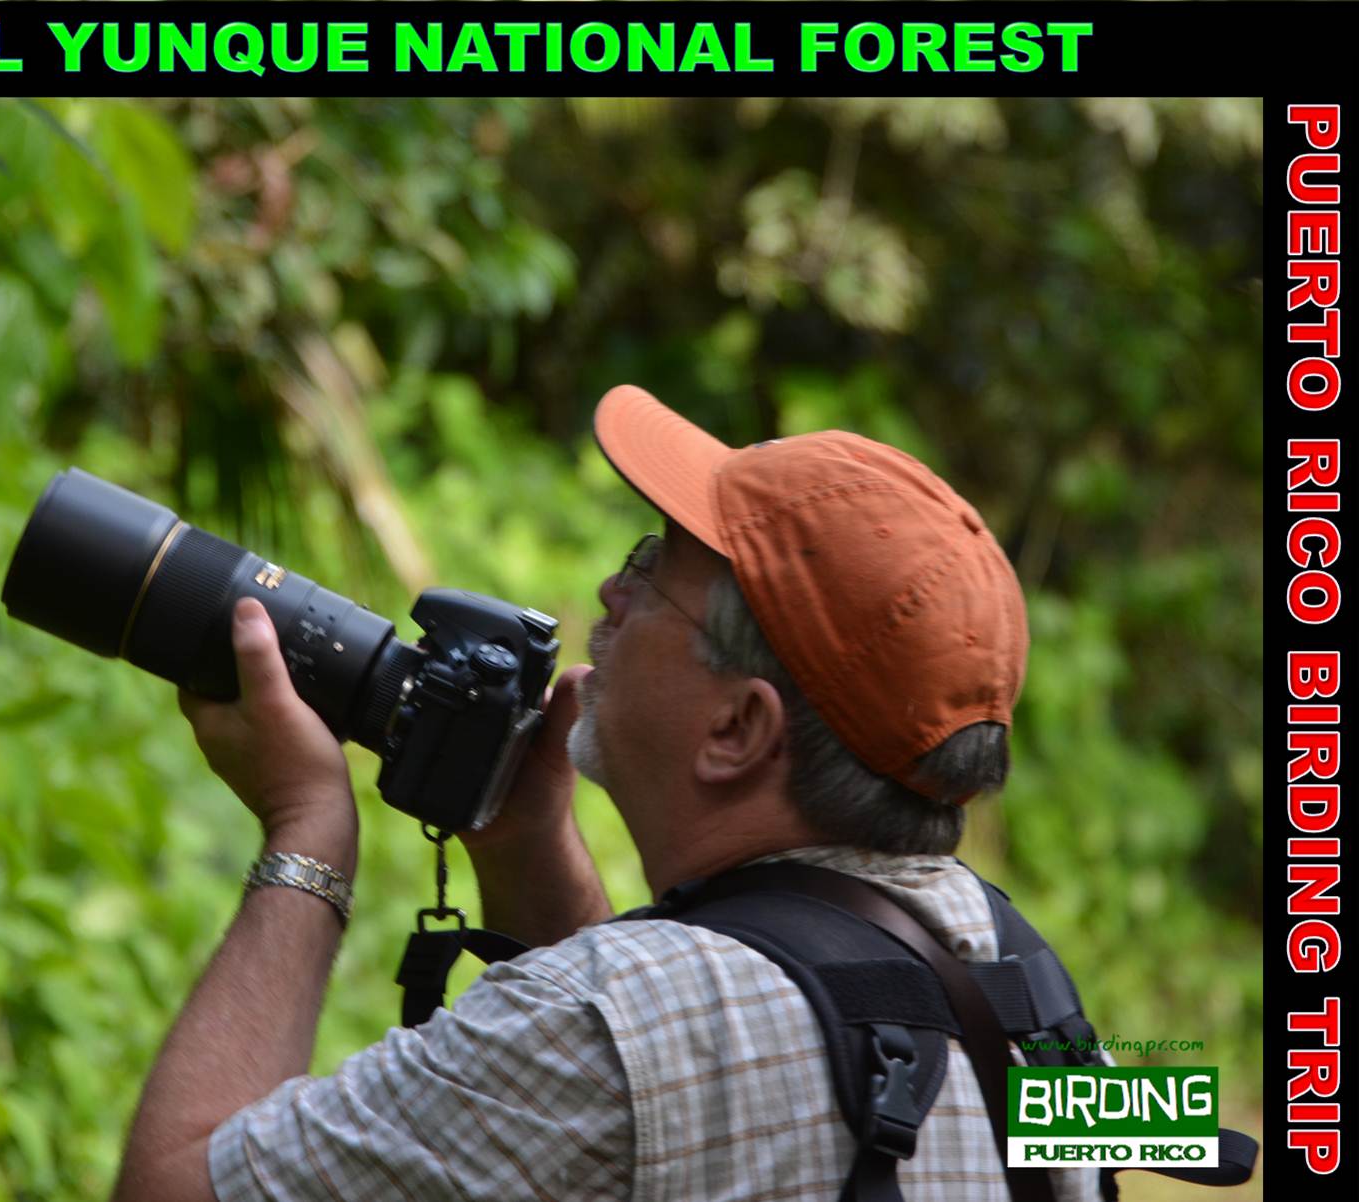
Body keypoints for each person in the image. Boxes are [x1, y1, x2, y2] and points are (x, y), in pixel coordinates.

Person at [109, 384, 1099, 1202]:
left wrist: (308, 831)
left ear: (736, 729)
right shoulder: (1034, 988)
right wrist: (526, 843)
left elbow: (170, 1188)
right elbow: (653, 1120)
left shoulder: (594, 1021)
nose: (607, 595)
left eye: (648, 570)